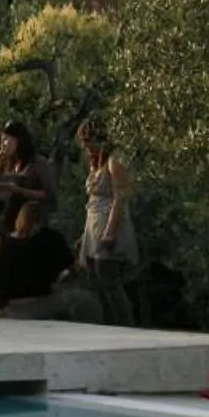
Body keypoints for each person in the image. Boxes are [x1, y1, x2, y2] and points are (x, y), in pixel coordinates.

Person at [0, 119, 68, 307]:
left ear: (19, 140)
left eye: (8, 140)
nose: (4, 145)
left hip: (32, 221)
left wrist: (22, 191)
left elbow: (50, 194)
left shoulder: (37, 163)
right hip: (10, 222)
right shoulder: (8, 163)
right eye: (2, 141)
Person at [75, 117, 138, 326]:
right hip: (94, 225)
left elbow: (120, 197)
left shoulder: (114, 161)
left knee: (110, 282)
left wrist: (110, 231)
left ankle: (126, 327)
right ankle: (108, 326)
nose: (86, 147)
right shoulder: (96, 164)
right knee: (96, 283)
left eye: (88, 141)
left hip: (109, 226)